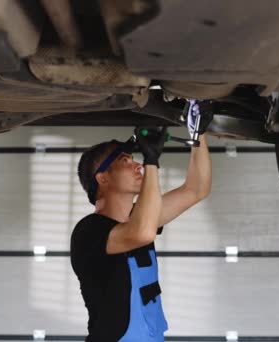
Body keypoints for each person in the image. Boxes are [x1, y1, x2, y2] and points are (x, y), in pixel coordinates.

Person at [70, 101, 213, 342]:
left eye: (136, 159)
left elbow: (196, 189)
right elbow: (142, 234)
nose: (137, 165)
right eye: (125, 161)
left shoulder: (140, 217)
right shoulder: (88, 231)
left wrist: (199, 133)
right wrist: (151, 160)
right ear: (103, 178)